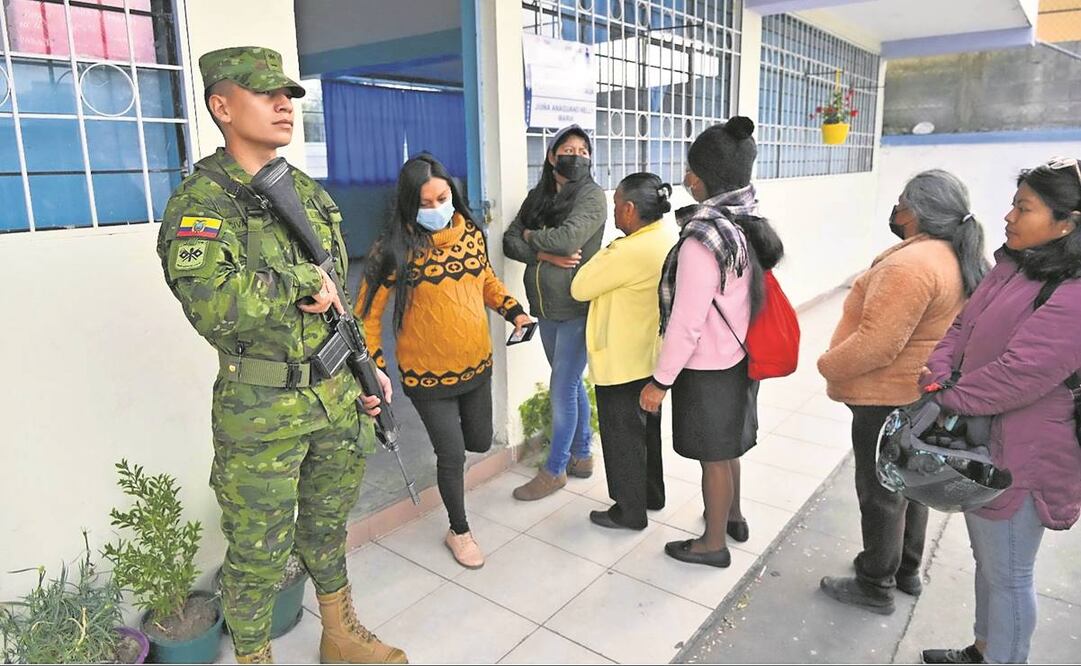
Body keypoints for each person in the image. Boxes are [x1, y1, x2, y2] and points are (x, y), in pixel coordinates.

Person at [155, 47, 406, 664]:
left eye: (289, 95)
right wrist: (296, 281)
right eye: (265, 93)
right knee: (258, 552)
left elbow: (337, 300)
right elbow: (211, 306)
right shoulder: (203, 204)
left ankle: (340, 634)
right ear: (221, 106)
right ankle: (253, 657)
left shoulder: (305, 192)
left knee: (325, 528)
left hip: (335, 394)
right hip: (261, 407)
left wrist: (364, 367)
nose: (283, 105)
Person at [918, 159, 1081, 665]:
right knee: (989, 562)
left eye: (1024, 208)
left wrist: (946, 396)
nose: (1008, 216)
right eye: (1014, 203)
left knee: (1009, 572)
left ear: (1067, 224)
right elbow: (961, 327)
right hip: (984, 441)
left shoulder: (1073, 291)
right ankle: (983, 650)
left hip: (1027, 454)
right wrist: (937, 372)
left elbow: (1021, 374)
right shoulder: (1015, 264)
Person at [816, 170, 990, 615]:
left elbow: (878, 343)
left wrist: (827, 364)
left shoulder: (910, 265)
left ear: (916, 211)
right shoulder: (956, 256)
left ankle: (874, 582)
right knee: (911, 482)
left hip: (886, 396)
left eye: (900, 203)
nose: (896, 212)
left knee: (880, 492)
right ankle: (906, 569)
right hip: (920, 395)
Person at [356, 154, 532, 570]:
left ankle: (457, 506)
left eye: (443, 198)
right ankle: (459, 529)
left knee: (480, 442)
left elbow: (484, 279)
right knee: (451, 455)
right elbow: (367, 315)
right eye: (426, 203)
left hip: (477, 365)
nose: (437, 209)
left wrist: (515, 311)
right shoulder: (394, 250)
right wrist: (375, 368)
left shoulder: (470, 233)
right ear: (408, 205)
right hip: (426, 376)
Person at [639, 117, 784, 567]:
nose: (685, 179)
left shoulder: (704, 237)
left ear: (705, 178)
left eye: (691, 171)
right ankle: (733, 517)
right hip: (740, 358)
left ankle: (712, 544)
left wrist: (660, 382)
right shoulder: (743, 220)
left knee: (713, 460)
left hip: (710, 368)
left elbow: (687, 321)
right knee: (728, 448)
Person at [570, 173, 679, 530]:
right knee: (647, 433)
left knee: (622, 440)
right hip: (651, 357)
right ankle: (652, 494)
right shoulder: (665, 236)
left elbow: (580, 287)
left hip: (622, 360)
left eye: (616, 205)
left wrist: (609, 248)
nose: (614, 213)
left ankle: (629, 511)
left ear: (630, 209)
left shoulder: (628, 250)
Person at [504, 124, 607, 501]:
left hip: (578, 305)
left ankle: (555, 469)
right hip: (544, 306)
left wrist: (533, 237)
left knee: (562, 386)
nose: (577, 156)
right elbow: (509, 241)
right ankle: (582, 455)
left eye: (583, 151)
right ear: (552, 156)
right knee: (568, 382)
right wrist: (541, 253)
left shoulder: (592, 197)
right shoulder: (539, 197)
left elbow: (568, 239)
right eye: (569, 149)